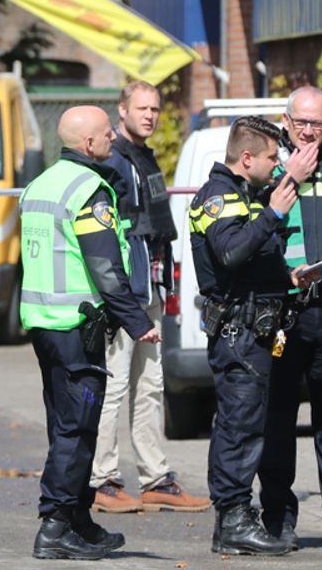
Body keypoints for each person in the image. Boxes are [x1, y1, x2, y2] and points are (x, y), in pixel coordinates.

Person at [19, 105, 159, 561]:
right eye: (106, 133)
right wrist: (138, 322)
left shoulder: (40, 185)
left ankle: (78, 519)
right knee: (77, 431)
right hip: (77, 326)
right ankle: (56, 524)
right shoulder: (89, 190)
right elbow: (105, 268)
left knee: (66, 425)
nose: (113, 138)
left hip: (44, 324)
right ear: (88, 144)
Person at [189, 116, 317, 555]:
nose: (275, 164)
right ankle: (234, 519)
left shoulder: (245, 196)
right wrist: (274, 212)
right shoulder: (219, 197)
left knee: (246, 426)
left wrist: (287, 277)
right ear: (246, 158)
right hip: (238, 334)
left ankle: (234, 523)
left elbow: (253, 258)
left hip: (255, 331)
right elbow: (229, 252)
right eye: (269, 157)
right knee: (239, 428)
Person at [91, 81, 208, 514]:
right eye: (142, 108)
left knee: (150, 386)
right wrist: (119, 296)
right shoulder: (114, 160)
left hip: (153, 288)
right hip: (126, 294)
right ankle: (102, 480)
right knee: (115, 385)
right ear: (122, 110)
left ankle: (155, 478)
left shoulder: (144, 156)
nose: (150, 115)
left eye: (155, 108)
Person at [258, 86, 322, 554]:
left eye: (318, 123)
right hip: (282, 313)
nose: (310, 131)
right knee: (276, 418)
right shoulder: (270, 164)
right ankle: (276, 519)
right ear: (286, 120)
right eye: (302, 123)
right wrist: (288, 177)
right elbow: (255, 234)